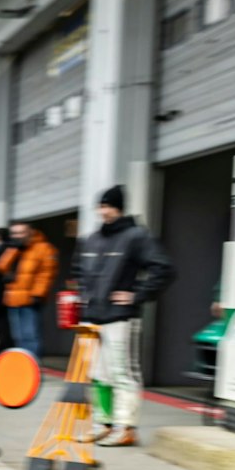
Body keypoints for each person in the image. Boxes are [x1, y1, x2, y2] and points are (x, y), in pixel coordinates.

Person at [76, 186, 176, 447]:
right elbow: (78, 272)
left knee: (122, 372)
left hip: (120, 317)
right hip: (92, 317)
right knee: (97, 374)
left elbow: (163, 269)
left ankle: (126, 427)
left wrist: (136, 295)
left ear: (119, 208)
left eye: (108, 206)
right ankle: (103, 423)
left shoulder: (136, 237)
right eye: (101, 206)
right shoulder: (91, 240)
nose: (103, 211)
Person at [0, 221, 56, 361]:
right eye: (14, 233)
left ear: (30, 232)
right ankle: (22, 366)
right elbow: (0, 267)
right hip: (12, 298)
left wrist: (38, 294)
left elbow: (47, 274)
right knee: (17, 336)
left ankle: (33, 365)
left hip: (30, 299)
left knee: (30, 335)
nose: (17, 236)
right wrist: (12, 251)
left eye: (21, 232)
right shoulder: (14, 249)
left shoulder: (44, 248)